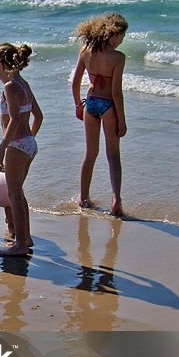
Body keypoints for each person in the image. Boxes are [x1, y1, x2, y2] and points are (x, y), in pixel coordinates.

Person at [70, 12, 128, 217]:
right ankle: (116, 200)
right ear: (114, 34)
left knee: (90, 154)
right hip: (108, 105)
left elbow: (75, 82)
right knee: (113, 156)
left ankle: (83, 198)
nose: (122, 40)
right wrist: (122, 119)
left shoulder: (86, 51)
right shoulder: (118, 58)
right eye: (122, 36)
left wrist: (78, 105)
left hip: (91, 103)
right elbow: (116, 92)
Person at [0, 42, 43, 257]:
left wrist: (2, 148)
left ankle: (20, 244)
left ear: (3, 65)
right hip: (28, 143)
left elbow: (13, 121)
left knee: (14, 194)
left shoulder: (11, 86)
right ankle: (25, 237)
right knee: (18, 193)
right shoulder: (24, 84)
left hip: (16, 144)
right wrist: (29, 139)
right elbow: (38, 116)